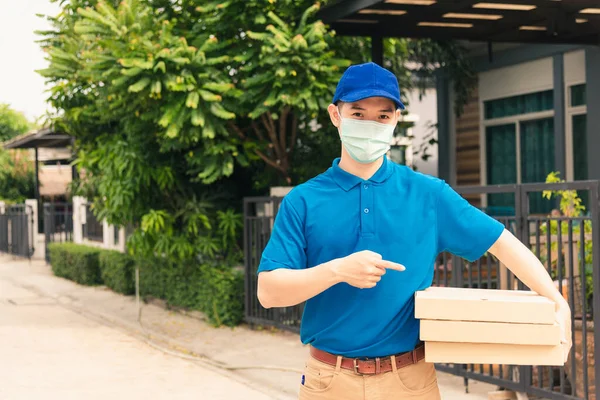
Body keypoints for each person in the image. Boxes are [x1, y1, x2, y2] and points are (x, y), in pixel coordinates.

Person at [256, 62, 572, 400]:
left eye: (382, 116)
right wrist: (337, 270)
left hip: (410, 381)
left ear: (394, 121)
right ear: (336, 115)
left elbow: (503, 244)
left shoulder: (428, 195)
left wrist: (557, 302)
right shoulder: (303, 200)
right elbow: (269, 292)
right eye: (358, 113)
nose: (370, 124)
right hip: (329, 381)